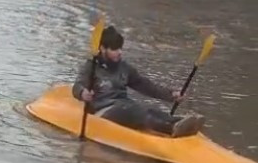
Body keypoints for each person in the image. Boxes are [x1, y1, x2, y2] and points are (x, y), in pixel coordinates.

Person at [72, 25, 205, 138]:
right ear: (102, 49)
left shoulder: (124, 67)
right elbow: (77, 86)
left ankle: (180, 121)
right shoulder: (91, 67)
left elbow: (145, 85)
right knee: (137, 112)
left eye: (120, 48)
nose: (119, 52)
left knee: (148, 109)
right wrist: (83, 93)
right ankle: (170, 129)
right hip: (102, 111)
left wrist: (171, 95)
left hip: (123, 105)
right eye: (115, 49)